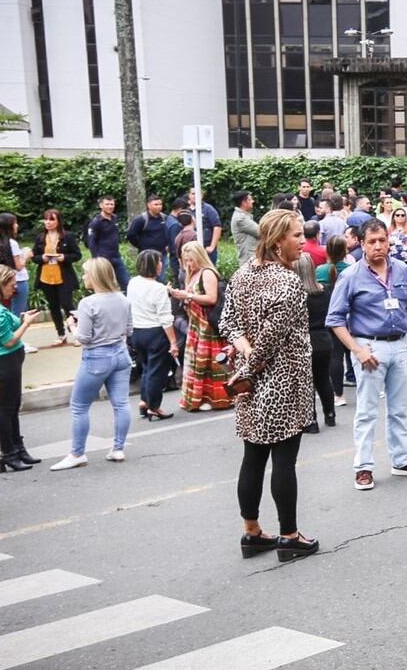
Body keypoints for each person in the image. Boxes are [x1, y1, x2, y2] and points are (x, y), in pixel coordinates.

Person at [220, 209, 318, 561]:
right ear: (278, 241)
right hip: (283, 379)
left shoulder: (243, 273)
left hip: (249, 381)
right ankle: (290, 536)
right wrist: (253, 360)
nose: (303, 241)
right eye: (296, 235)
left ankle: (252, 533)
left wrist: (245, 361)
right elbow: (271, 339)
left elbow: (228, 323)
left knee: (253, 457)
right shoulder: (289, 282)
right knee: (284, 461)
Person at [328, 218, 407, 491]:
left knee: (399, 409)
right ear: (361, 244)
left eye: (382, 240)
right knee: (366, 411)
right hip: (369, 348)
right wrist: (357, 349)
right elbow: (335, 319)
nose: (378, 246)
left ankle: (402, 460)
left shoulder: (401, 270)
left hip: (400, 346)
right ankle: (363, 467)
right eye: (372, 242)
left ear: (389, 241)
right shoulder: (350, 276)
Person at [49, 257, 134, 470]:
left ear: (95, 277)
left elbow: (84, 338)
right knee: (121, 403)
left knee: (79, 406)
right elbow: (129, 330)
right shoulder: (123, 299)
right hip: (121, 354)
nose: (84, 277)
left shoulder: (88, 303)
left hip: (97, 356)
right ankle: (118, 448)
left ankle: (77, 453)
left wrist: (71, 326)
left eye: (86, 273)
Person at [0, 265, 41, 472]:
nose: (14, 289)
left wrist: (22, 318)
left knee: (13, 407)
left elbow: (11, 325)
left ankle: (18, 448)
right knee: (6, 409)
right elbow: (9, 341)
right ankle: (8, 453)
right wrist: (27, 323)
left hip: (9, 362)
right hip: (5, 362)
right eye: (11, 285)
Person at [170, 241, 232, 412]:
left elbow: (211, 298)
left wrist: (187, 295)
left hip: (207, 325)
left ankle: (217, 398)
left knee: (212, 365)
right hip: (196, 325)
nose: (188, 264)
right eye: (186, 260)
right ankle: (203, 397)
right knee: (200, 365)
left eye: (191, 260)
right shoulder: (194, 273)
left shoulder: (207, 273)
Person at [127, 249, 179, 422]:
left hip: (138, 332)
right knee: (157, 372)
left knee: (147, 369)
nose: (161, 264)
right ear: (155, 266)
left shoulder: (133, 282)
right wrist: (173, 342)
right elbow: (165, 319)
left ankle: (144, 401)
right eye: (159, 261)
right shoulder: (158, 289)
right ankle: (154, 407)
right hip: (156, 333)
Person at [300, 254, 338, 432]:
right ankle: (330, 414)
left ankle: (311, 420)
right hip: (324, 338)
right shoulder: (325, 290)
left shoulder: (297, 296)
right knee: (323, 378)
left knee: (307, 382)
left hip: (305, 340)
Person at [33, 209, 81, 345]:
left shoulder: (68, 236)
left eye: (52, 219)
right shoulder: (40, 238)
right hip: (46, 276)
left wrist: (64, 257)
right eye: (46, 219)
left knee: (67, 305)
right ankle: (61, 334)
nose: (48, 222)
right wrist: (41, 258)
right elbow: (35, 256)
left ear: (58, 221)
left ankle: (77, 334)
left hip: (63, 276)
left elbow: (77, 255)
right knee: (53, 306)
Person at [85, 196, 129, 290]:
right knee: (106, 286)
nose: (110, 206)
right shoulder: (96, 222)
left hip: (116, 256)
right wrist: (97, 260)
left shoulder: (114, 218)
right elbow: (92, 242)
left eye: (112, 204)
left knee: (126, 283)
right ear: (101, 205)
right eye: (107, 204)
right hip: (103, 259)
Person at [127, 194, 172, 280]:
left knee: (160, 278)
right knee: (146, 278)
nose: (159, 207)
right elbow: (131, 235)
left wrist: (168, 245)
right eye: (156, 204)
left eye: (160, 204)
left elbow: (169, 232)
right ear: (149, 205)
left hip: (162, 254)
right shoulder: (141, 219)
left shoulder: (164, 218)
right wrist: (141, 245)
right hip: (146, 255)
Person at [231, 191, 259, 258]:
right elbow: (260, 232)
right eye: (250, 199)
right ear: (244, 202)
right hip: (248, 257)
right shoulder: (241, 218)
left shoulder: (244, 216)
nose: (252, 201)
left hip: (251, 256)